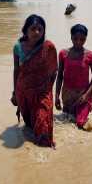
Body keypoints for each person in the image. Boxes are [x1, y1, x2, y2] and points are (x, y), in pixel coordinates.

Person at [11, 14, 58, 147]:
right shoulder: (18, 47)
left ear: (44, 31)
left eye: (40, 29)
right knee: (31, 125)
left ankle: (45, 149)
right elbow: (16, 71)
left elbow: (54, 70)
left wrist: (48, 89)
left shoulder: (48, 47)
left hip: (43, 91)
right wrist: (14, 93)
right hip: (24, 91)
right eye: (33, 29)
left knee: (43, 122)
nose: (36, 32)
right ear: (26, 30)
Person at [55, 24, 92, 130]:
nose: (78, 42)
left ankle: (85, 111)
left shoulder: (91, 56)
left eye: (82, 39)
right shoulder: (63, 54)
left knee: (80, 123)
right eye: (75, 39)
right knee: (64, 122)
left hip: (83, 96)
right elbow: (60, 76)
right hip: (67, 96)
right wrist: (56, 96)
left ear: (86, 39)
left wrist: (86, 95)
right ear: (71, 37)